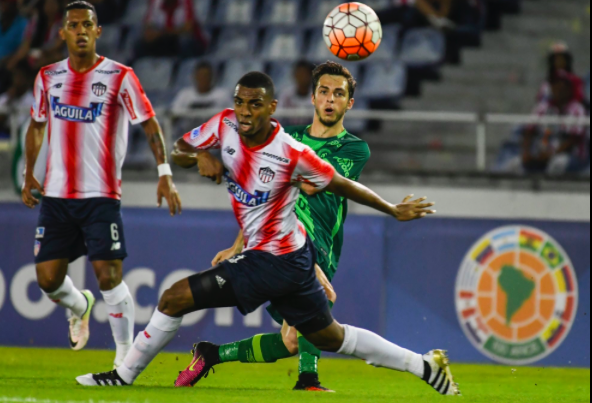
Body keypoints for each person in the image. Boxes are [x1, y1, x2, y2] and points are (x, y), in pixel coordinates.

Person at [75, 71, 461, 397]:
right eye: (241, 102)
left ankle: (122, 375)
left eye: (255, 104)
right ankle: (424, 366)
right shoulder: (223, 125)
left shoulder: (291, 153)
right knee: (331, 337)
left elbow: (342, 185)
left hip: (273, 260)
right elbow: (178, 149)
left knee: (174, 298)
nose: (245, 111)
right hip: (290, 261)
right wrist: (200, 156)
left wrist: (392, 209)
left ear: (272, 107)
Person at [194, 61, 375, 393]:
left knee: (291, 339)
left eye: (338, 94)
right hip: (290, 245)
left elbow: (316, 182)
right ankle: (309, 381)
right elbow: (260, 198)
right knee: (313, 315)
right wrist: (238, 244)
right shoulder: (286, 138)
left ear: (349, 103)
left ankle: (211, 354)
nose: (330, 100)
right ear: (313, 97)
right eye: (324, 92)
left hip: (324, 241)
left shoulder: (354, 148)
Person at [21, 1, 182, 369]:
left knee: (108, 275)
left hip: (101, 195)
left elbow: (150, 122)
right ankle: (79, 305)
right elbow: (37, 124)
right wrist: (31, 172)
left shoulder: (119, 76)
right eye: (73, 25)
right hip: (57, 196)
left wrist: (164, 172)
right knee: (47, 280)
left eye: (87, 24)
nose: (80, 31)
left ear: (98, 32)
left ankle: (125, 355)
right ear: (62, 33)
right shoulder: (48, 77)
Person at [500, 70, 589, 176]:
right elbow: (529, 131)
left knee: (557, 164)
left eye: (561, 84)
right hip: (543, 154)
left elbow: (573, 140)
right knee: (513, 164)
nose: (557, 88)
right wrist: (526, 153)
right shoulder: (543, 107)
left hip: (572, 156)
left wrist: (551, 155)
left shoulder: (577, 109)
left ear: (568, 88)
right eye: (554, 84)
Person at [135, 0, 207, 60]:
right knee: (140, 44)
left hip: (188, 40)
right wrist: (151, 33)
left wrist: (162, 33)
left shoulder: (185, 2)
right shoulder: (155, 2)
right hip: (165, 39)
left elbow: (188, 28)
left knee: (184, 41)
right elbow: (148, 25)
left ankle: (184, 68)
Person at [170, 61, 230, 133]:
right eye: (200, 75)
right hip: (190, 136)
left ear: (212, 77)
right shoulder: (184, 95)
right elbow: (172, 117)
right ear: (195, 77)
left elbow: (233, 117)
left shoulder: (222, 95)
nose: (203, 78)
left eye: (206, 75)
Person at [0, 60, 35, 138]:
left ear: (28, 79)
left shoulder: (33, 100)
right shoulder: (6, 97)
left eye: (20, 77)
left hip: (21, 136)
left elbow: (22, 127)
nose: (17, 81)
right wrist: (9, 101)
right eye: (15, 76)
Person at [278, 60, 314, 127]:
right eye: (299, 73)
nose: (302, 77)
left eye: (304, 74)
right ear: (294, 75)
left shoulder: (319, 96)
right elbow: (279, 117)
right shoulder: (286, 96)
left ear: (311, 76)